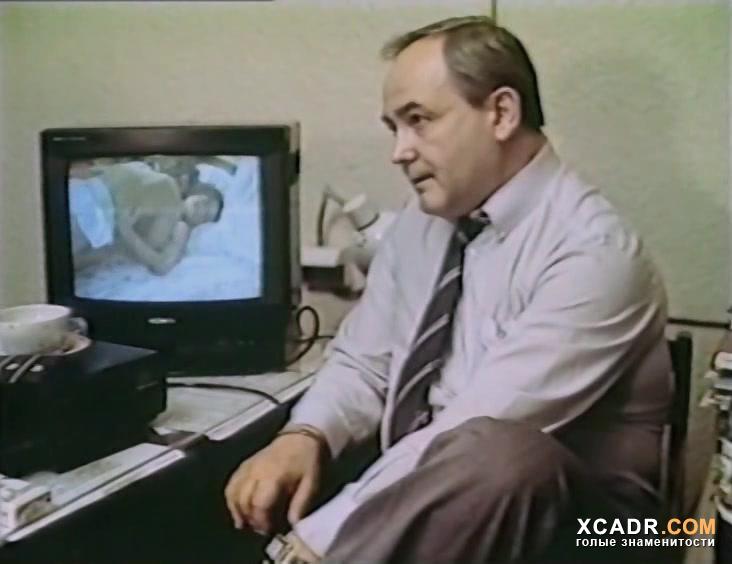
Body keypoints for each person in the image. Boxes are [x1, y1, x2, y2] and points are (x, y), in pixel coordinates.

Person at [225, 15, 671, 563]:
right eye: (394, 128)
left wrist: (315, 545)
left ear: (501, 113)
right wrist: (305, 435)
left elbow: (480, 425)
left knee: (501, 454)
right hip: (443, 497)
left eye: (419, 121)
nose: (399, 151)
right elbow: (365, 361)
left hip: (611, 534)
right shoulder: (424, 221)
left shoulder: (596, 253)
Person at [99, 161, 224, 275]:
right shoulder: (168, 186)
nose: (201, 209)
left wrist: (127, 232)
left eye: (206, 216)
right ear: (198, 192)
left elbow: (163, 265)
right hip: (106, 195)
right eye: (206, 202)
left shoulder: (181, 228)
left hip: (110, 236)